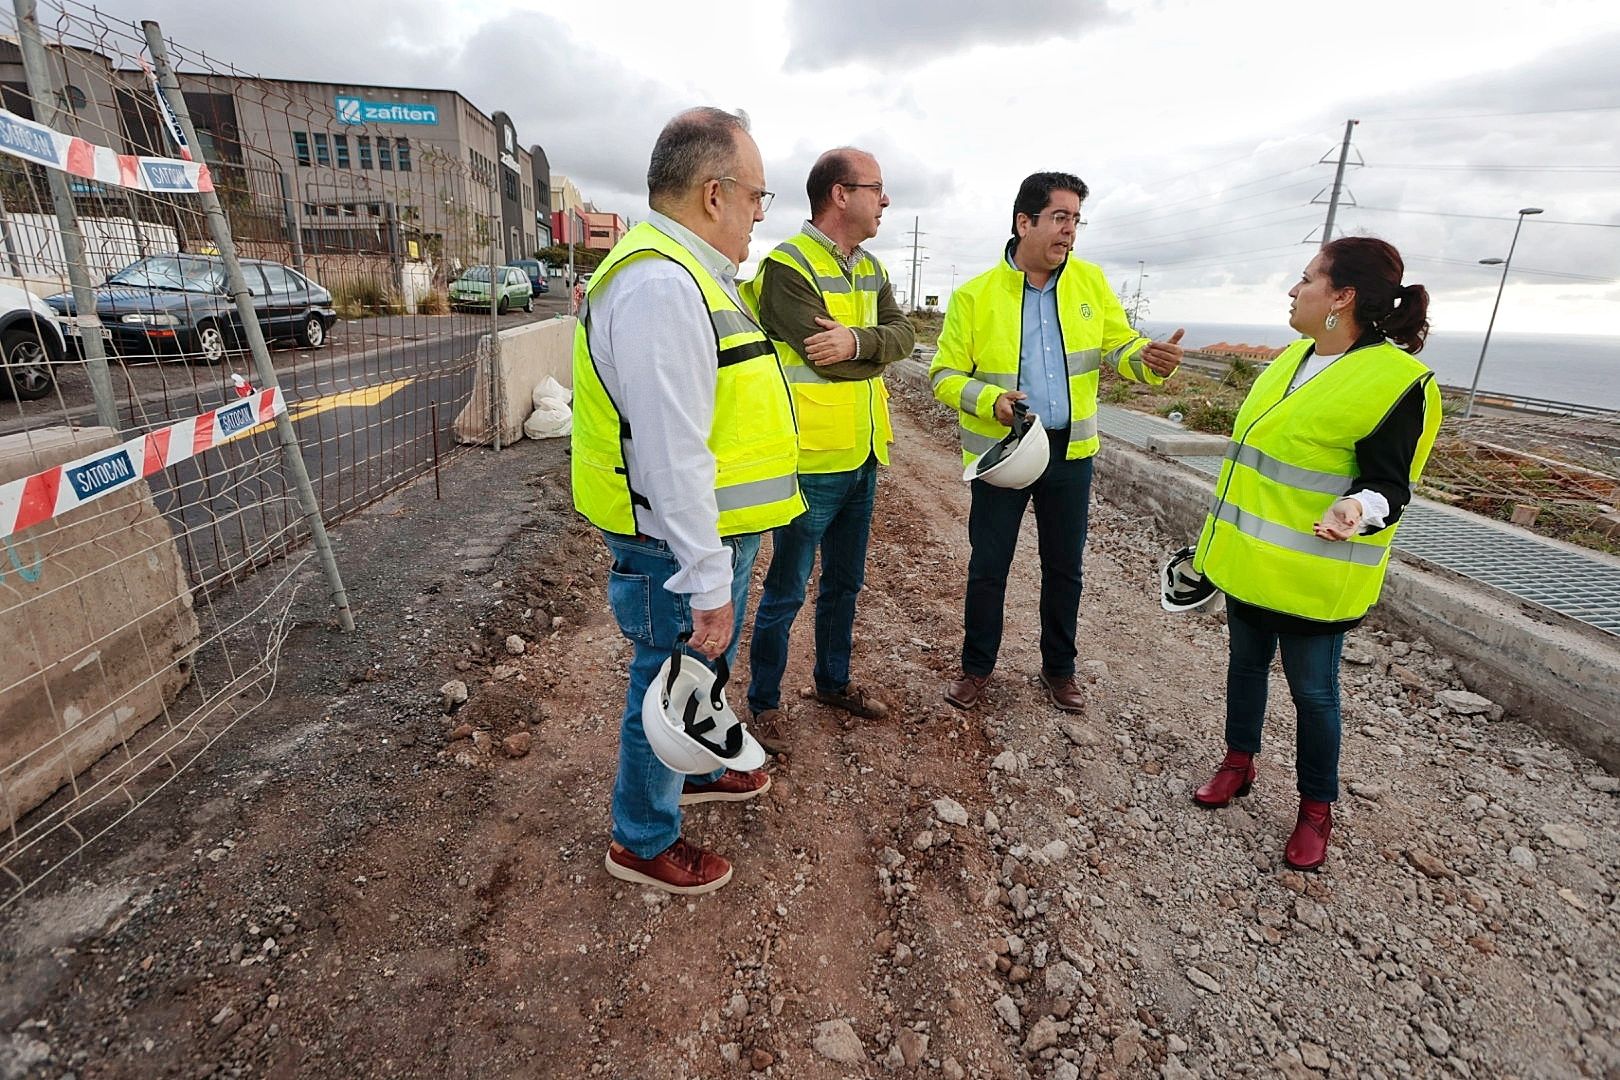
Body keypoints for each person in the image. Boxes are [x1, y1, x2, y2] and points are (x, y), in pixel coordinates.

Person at [571, 107, 804, 895]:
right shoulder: (661, 285)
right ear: (714, 193)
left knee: (692, 676)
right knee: (666, 681)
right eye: (757, 195)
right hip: (671, 542)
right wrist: (707, 579)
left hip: (702, 532)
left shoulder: (689, 274)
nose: (758, 214)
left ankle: (693, 767)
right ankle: (642, 839)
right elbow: (671, 453)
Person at [1189, 236, 1443, 872]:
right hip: (1250, 563)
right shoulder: (1292, 359)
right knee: (1245, 668)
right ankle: (1238, 763)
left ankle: (1315, 810)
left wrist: (1357, 507)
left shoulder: (1396, 382)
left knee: (1314, 694)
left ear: (1342, 297)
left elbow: (1392, 485)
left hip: (1314, 578)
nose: (1293, 290)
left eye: (1306, 279)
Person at [930, 171, 1183, 714]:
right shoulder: (974, 296)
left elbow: (1120, 348)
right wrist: (989, 399)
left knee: (1065, 568)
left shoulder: (1090, 282)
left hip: (1070, 453)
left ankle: (1059, 670)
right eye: (1060, 217)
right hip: (1005, 452)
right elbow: (943, 375)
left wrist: (1149, 361)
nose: (1070, 230)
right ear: (1025, 222)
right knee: (989, 566)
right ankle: (976, 669)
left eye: (1076, 220)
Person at [740, 148, 916, 753]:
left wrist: (860, 343)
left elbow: (904, 335)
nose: (885, 200)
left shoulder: (871, 267)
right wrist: (866, 352)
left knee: (845, 584)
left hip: (863, 455)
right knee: (786, 589)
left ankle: (833, 683)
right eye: (876, 188)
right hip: (811, 460)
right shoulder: (787, 266)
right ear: (841, 194)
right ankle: (763, 703)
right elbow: (825, 360)